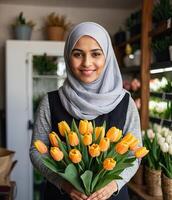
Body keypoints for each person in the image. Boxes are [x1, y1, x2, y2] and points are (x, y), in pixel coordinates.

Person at [30, 22, 142, 200]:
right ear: (68, 56)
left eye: (96, 54)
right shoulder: (50, 102)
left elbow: (134, 153)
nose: (87, 63)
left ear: (107, 57)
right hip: (62, 195)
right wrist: (65, 184)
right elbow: (37, 152)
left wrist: (113, 185)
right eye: (77, 54)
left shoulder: (125, 102)